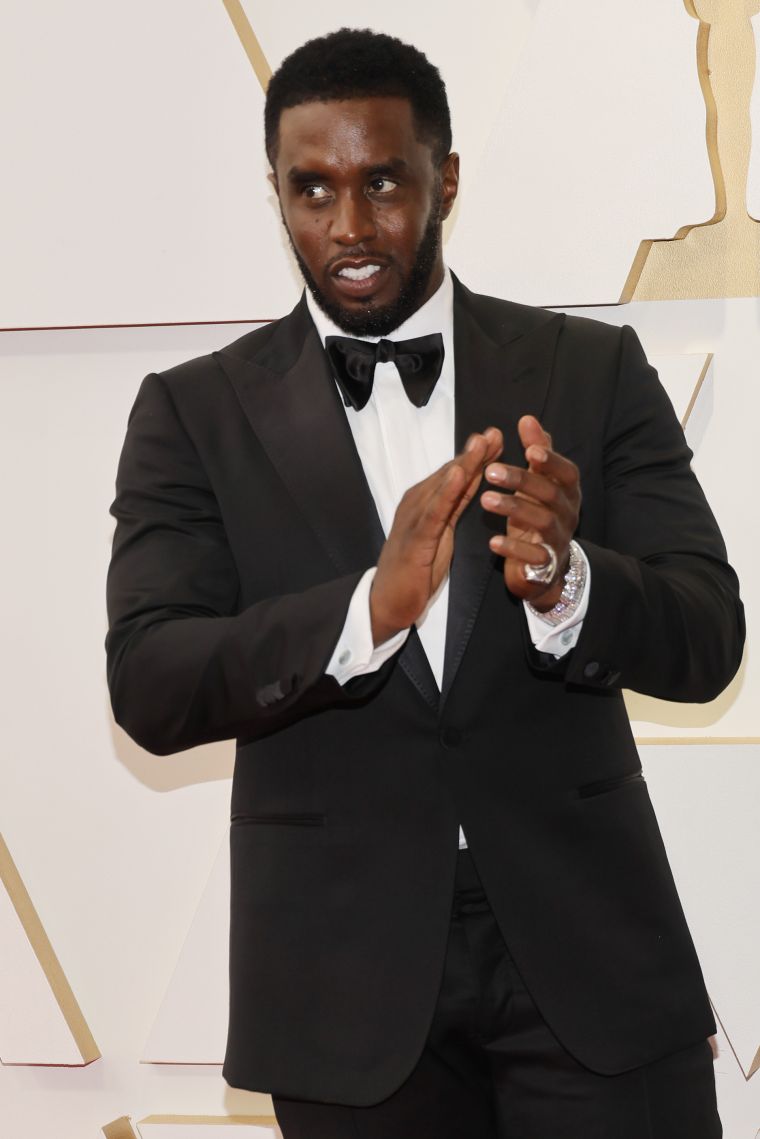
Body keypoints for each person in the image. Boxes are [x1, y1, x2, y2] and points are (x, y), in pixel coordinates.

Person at [106, 27, 744, 1139]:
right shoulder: (190, 413)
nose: (348, 227)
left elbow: (708, 634)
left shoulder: (589, 369)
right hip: (340, 985)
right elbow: (152, 681)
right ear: (275, 193)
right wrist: (365, 611)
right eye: (310, 189)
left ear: (444, 178)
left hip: (591, 955)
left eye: (382, 183)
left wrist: (568, 581)